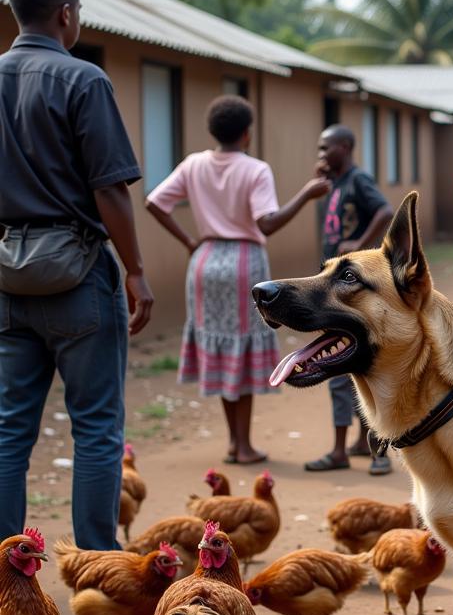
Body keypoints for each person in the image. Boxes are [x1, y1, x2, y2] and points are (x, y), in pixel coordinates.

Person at [0, 0, 154, 551]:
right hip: (78, 276)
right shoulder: (83, 79)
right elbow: (109, 187)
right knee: (95, 429)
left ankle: (6, 576)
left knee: (11, 430)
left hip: (11, 277)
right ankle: (98, 566)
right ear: (66, 13)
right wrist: (136, 271)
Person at [146, 96, 328, 464]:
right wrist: (307, 193)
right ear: (247, 134)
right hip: (244, 262)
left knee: (221, 349)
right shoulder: (255, 169)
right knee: (241, 352)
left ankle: (234, 441)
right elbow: (267, 223)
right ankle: (243, 445)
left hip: (205, 261)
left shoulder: (193, 164)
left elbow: (154, 202)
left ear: (212, 131)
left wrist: (189, 242)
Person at [304, 124, 394, 475]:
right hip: (335, 288)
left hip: (347, 291)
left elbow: (385, 212)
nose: (321, 155)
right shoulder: (336, 183)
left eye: (327, 149)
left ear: (346, 146)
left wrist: (359, 247)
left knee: (349, 364)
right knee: (347, 363)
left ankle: (363, 451)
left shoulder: (358, 180)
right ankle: (360, 443)